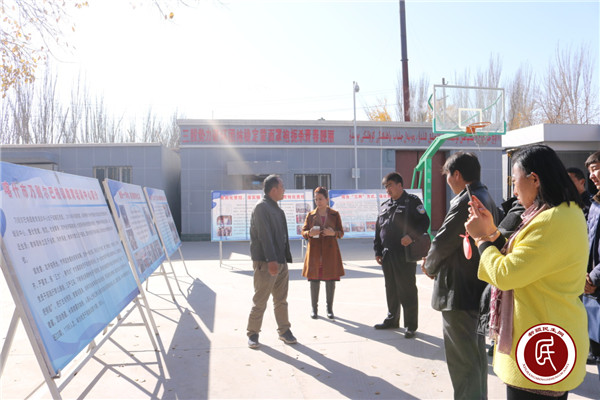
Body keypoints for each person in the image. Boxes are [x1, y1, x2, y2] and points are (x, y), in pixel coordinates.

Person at [465, 144, 589, 399]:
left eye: (515, 181)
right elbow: (524, 259)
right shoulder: (559, 213)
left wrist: (481, 240)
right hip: (549, 332)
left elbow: (507, 274)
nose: (513, 190)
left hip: (541, 340)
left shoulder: (551, 220)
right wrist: (491, 232)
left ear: (534, 179)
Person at [422, 152, 499, 399]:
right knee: (475, 358)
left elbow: (442, 242)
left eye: (447, 175)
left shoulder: (466, 200)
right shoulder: (486, 196)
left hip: (458, 292)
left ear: (456, 174)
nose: (446, 180)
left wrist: (429, 267)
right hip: (477, 288)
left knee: (463, 363)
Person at [373, 172, 430, 338]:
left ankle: (411, 325)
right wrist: (377, 250)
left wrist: (411, 236)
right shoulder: (385, 205)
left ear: (400, 185)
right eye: (386, 187)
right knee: (391, 288)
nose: (387, 190)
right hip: (387, 254)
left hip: (404, 253)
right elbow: (379, 230)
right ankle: (392, 319)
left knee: (407, 289)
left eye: (390, 185)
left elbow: (424, 222)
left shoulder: (412, 202)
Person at [246, 174, 296, 349]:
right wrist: (271, 260)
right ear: (274, 190)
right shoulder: (261, 208)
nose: (284, 190)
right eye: (282, 187)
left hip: (280, 262)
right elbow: (264, 236)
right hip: (267, 262)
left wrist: (283, 259)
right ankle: (253, 333)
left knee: (281, 300)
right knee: (261, 300)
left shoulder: (278, 210)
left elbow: (282, 237)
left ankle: (284, 331)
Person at [301, 187, 345, 319]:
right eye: (316, 199)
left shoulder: (335, 214)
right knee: (314, 281)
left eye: (320, 199)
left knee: (330, 281)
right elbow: (303, 232)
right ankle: (314, 309)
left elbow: (341, 233)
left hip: (330, 253)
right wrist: (309, 233)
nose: (318, 202)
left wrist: (333, 233)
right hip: (315, 253)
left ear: (327, 199)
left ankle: (329, 309)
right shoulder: (310, 215)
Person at [583, 152, 600, 369]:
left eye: (595, 168)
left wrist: (593, 278)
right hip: (593, 290)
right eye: (590, 171)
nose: (592, 176)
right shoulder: (595, 203)